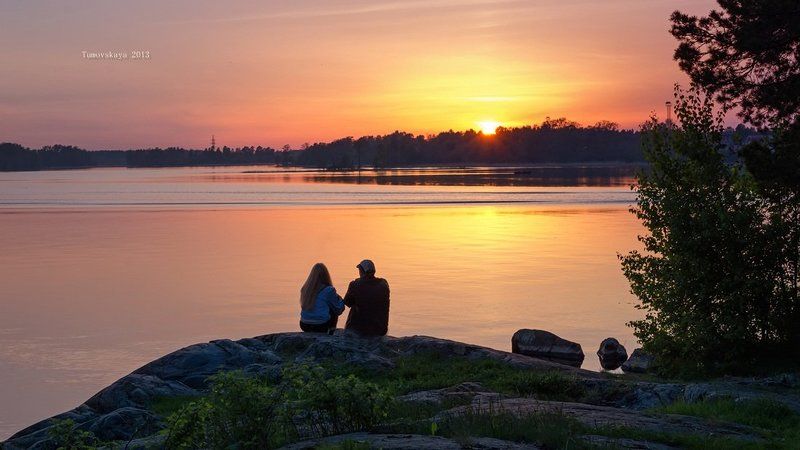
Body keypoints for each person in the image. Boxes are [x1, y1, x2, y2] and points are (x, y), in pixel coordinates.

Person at [343, 259, 390, 336]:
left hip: (358, 329)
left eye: (359, 270)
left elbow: (347, 302)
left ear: (362, 271)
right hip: (380, 329)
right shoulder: (383, 284)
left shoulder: (355, 284)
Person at [299, 263, 345, 334]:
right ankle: (331, 332)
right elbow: (339, 309)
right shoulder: (328, 290)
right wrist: (340, 299)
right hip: (321, 325)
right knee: (333, 307)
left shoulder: (305, 288)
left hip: (304, 324)